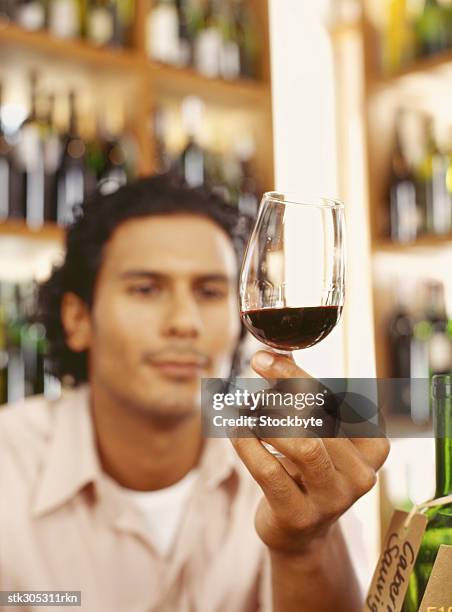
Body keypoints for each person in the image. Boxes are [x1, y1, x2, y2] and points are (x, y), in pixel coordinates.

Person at [0, 174, 389, 611]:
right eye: (146, 289)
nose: (185, 322)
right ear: (77, 319)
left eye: (209, 291)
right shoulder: (8, 467)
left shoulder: (298, 470)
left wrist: (305, 545)